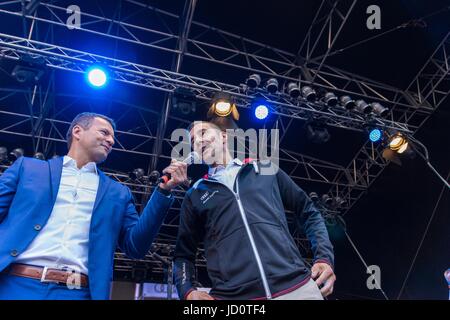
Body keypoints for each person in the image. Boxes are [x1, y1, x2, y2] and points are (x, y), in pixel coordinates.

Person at [0, 112, 187, 300]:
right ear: (77, 131)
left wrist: (163, 192)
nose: (111, 141)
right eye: (105, 133)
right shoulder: (27, 168)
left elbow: (136, 247)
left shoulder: (118, 193)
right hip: (13, 284)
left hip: (77, 292)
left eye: (113, 137)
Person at [174, 118, 336, 300]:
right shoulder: (195, 194)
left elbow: (309, 212)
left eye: (203, 133)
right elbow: (183, 255)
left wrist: (324, 257)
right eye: (193, 141)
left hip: (297, 288)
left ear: (224, 136)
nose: (198, 141)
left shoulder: (264, 168)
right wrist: (187, 290)